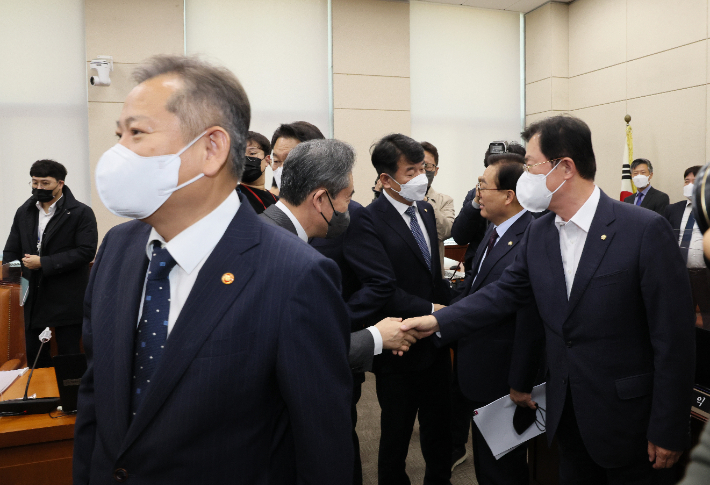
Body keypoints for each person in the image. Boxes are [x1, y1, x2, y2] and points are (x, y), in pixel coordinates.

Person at [73, 55, 353, 484]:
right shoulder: (116, 249)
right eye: (118, 134)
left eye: (137, 133)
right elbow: (95, 398)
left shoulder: (294, 275)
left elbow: (321, 446)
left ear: (211, 148)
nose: (117, 152)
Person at [402, 115, 696, 485]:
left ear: (565, 168)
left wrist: (669, 427)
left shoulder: (643, 230)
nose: (524, 176)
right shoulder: (540, 232)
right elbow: (502, 293)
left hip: (630, 423)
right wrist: (436, 321)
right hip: (566, 417)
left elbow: (674, 340)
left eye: (530, 166)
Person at [344, 133, 452, 485]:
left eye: (423, 168)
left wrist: (446, 311)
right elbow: (382, 288)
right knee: (395, 436)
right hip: (399, 345)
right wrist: (432, 309)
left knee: (440, 434)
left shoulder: (424, 208)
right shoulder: (367, 220)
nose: (421, 177)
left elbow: (431, 275)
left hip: (435, 343)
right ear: (386, 179)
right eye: (410, 171)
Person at [451, 153, 545, 484]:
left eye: (482, 185)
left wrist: (520, 383)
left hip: (504, 380)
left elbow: (530, 320)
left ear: (509, 196)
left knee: (502, 470)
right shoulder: (494, 232)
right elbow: (475, 292)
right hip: (481, 371)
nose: (476, 193)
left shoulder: (530, 238)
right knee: (490, 466)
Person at [3, 159, 97, 368]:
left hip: (67, 296)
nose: (39, 188)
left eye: (45, 183)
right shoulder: (24, 211)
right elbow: (11, 249)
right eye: (35, 183)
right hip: (33, 296)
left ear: (60, 183)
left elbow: (86, 251)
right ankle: (41, 400)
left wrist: (44, 263)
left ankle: (71, 401)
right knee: (36, 356)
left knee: (69, 357)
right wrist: (14, 280)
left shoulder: (81, 212)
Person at [451, 141, 526, 272]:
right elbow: (459, 237)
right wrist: (476, 201)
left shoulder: (530, 202)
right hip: (476, 267)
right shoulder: (476, 195)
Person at [665, 165, 709, 326]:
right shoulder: (672, 210)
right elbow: (665, 240)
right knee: (681, 318)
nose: (690, 185)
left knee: (708, 318)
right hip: (680, 274)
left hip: (706, 274)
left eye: (695, 181)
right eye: (686, 181)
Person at [421, 142, 455, 277]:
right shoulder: (403, 199)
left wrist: (425, 201)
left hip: (433, 276)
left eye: (428, 166)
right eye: (420, 165)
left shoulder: (444, 201)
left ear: (436, 170)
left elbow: (447, 232)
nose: (424, 170)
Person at [269, 121, 325, 196]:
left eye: (291, 161)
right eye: (276, 161)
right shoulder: (270, 205)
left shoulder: (338, 205)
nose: (281, 170)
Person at [238, 131, 277, 214]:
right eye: (240, 154)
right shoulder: (233, 196)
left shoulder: (278, 202)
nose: (245, 158)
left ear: (267, 160)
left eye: (252, 153)